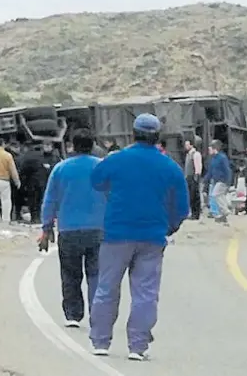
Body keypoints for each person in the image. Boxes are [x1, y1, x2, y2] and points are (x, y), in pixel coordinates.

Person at [89, 113, 189, 360]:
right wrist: (170, 227)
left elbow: (96, 181)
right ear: (158, 137)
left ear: (133, 134)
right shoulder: (169, 166)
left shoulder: (117, 159)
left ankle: (101, 341)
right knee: (146, 293)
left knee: (106, 287)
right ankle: (138, 345)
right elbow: (182, 206)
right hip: (152, 237)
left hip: (116, 234)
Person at [39, 128, 106, 328]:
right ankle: (97, 312)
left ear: (72, 147)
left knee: (70, 274)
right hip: (99, 230)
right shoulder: (103, 168)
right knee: (96, 274)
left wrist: (46, 227)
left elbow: (50, 200)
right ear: (93, 145)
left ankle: (73, 315)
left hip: (68, 231)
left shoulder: (60, 169)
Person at [20, 141, 62, 223]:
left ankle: (41, 219)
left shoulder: (55, 158)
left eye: (48, 145)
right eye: (46, 145)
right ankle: (38, 219)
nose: (47, 147)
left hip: (43, 185)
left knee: (41, 203)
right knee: (37, 202)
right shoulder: (37, 157)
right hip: (37, 185)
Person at [203, 139, 232, 224]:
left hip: (222, 180)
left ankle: (225, 211)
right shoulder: (213, 159)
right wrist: (205, 180)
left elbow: (227, 170)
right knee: (219, 195)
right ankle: (223, 214)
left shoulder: (222, 158)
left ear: (214, 148)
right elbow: (210, 171)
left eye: (210, 149)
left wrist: (228, 182)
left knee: (215, 194)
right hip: (216, 181)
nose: (209, 151)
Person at [184, 138, 203, 220]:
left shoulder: (196, 154)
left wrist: (196, 177)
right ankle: (193, 213)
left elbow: (198, 167)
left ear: (191, 145)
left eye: (187, 145)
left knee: (195, 196)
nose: (185, 146)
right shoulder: (188, 154)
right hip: (189, 177)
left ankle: (196, 214)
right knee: (191, 196)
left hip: (193, 177)